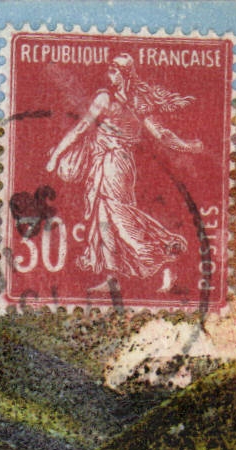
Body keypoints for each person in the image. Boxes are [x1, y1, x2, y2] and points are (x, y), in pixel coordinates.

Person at [45, 53, 203, 293]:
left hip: (114, 163)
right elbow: (160, 134)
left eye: (114, 71)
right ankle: (113, 278)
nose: (109, 75)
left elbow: (82, 128)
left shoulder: (114, 100)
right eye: (109, 70)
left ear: (124, 74)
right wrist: (188, 146)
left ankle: (164, 260)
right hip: (107, 163)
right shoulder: (127, 100)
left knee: (119, 216)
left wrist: (56, 156)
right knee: (104, 218)